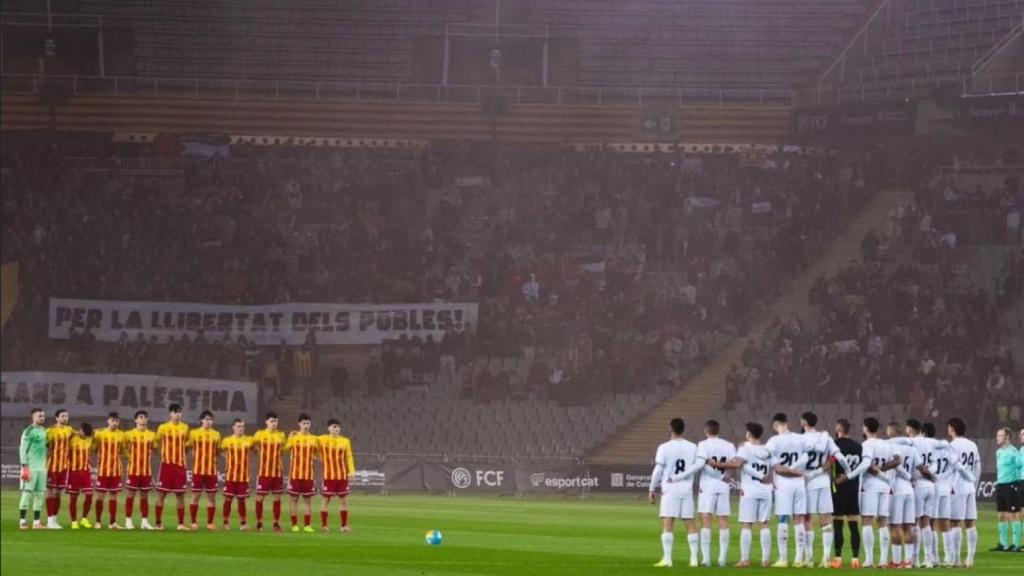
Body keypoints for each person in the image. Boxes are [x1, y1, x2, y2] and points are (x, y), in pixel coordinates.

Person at [834, 417, 899, 568]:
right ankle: (883, 560)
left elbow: (866, 464)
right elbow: (896, 460)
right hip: (885, 486)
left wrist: (849, 476)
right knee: (882, 522)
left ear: (865, 428)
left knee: (868, 521)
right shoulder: (887, 444)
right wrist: (883, 472)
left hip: (869, 486)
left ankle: (869, 560)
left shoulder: (866, 445)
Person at [711, 422, 772, 567]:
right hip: (766, 490)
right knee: (764, 524)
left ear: (749, 434)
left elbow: (736, 464)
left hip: (750, 490)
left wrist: (715, 464)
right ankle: (766, 560)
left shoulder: (745, 449)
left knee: (747, 524)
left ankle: (745, 560)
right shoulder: (767, 450)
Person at [798, 412, 851, 568]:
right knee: (826, 519)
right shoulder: (825, 438)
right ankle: (826, 558)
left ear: (803, 423)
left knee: (807, 519)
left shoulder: (800, 439)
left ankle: (808, 558)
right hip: (823, 481)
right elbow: (839, 457)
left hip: (807, 481)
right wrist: (848, 472)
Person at [649, 418, 703, 568]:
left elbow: (658, 471)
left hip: (670, 490)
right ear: (683, 429)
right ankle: (693, 559)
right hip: (686, 490)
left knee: (668, 524)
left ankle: (667, 559)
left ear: (670, 429)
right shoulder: (693, 447)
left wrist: (652, 489)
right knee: (690, 524)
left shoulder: (664, 447)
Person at [764, 413, 810, 567]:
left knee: (783, 519)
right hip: (799, 484)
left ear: (775, 424)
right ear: (787, 422)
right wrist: (796, 471)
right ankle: (799, 559)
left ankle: (783, 559)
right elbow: (806, 458)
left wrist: (789, 470)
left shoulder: (773, 441)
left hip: (783, 485)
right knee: (799, 520)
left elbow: (776, 467)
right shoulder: (801, 438)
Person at [695, 419, 735, 567]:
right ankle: (722, 559)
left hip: (707, 485)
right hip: (723, 485)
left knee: (706, 520)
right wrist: (728, 477)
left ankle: (706, 559)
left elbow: (702, 465)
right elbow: (733, 463)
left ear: (706, 431)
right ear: (718, 430)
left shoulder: (702, 445)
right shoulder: (729, 445)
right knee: (723, 521)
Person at [947, 417, 981, 567]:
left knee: (955, 522)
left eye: (949, 427)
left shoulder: (951, 446)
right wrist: (975, 483)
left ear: (953, 429)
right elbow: (978, 467)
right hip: (970, 486)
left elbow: (948, 469)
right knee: (970, 523)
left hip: (956, 487)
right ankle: (970, 559)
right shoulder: (972, 444)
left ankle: (955, 560)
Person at [886, 422, 919, 568]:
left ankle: (897, 561)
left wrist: (907, 476)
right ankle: (908, 561)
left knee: (895, 526)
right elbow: (919, 467)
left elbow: (896, 465)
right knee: (909, 526)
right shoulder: (912, 449)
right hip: (909, 490)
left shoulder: (891, 446)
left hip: (897, 488)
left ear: (891, 432)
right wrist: (912, 478)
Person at [831, 419, 863, 568]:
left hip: (838, 486)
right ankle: (855, 559)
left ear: (838, 428)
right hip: (853, 487)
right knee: (853, 524)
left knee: (838, 523)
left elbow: (830, 464)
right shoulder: (858, 447)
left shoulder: (834, 445)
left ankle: (838, 559)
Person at [155, 403, 190, 530]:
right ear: (170, 414)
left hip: (180, 466)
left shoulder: (185, 427)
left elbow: (187, 444)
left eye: (179, 412)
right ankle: (158, 523)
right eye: (175, 412)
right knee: (161, 494)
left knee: (180, 495)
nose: (178, 415)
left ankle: (180, 524)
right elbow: (156, 442)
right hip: (166, 466)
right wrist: (163, 454)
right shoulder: (163, 427)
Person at [319, 418, 355, 533]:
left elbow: (349, 456)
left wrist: (351, 471)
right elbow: (310, 443)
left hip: (342, 475)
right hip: (328, 476)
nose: (336, 429)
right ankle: (324, 526)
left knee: (344, 501)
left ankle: (344, 526)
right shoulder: (322, 439)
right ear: (328, 428)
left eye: (338, 427)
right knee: (326, 500)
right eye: (334, 427)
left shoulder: (345, 441)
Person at [253, 412, 287, 532]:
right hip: (264, 472)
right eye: (272, 421)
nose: (274, 423)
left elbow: (282, 450)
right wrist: (260, 452)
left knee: (277, 498)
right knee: (260, 497)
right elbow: (253, 446)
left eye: (276, 421)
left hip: (277, 472)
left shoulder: (281, 435)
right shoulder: (259, 434)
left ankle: (276, 524)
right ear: (266, 422)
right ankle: (259, 523)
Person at [123, 410, 157, 530]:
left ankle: (144, 522)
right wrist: (130, 458)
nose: (143, 419)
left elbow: (155, 448)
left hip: (146, 471)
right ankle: (128, 520)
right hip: (133, 470)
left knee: (144, 496)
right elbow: (123, 448)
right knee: (130, 495)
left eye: (145, 417)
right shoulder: (128, 434)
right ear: (135, 420)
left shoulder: (152, 435)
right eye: (140, 417)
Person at [188, 410, 222, 530]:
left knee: (211, 497)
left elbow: (218, 451)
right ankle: (193, 522)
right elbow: (190, 448)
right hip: (198, 470)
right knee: (195, 496)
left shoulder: (216, 434)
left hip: (211, 471)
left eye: (211, 420)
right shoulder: (194, 433)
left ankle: (210, 523)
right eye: (206, 419)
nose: (209, 422)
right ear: (201, 420)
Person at [286, 413, 319, 533]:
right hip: (295, 474)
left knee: (308, 501)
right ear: (299, 424)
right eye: (304, 423)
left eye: (308, 423)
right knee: (294, 499)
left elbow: (318, 454)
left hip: (308, 475)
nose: (306, 425)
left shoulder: (314, 439)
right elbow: (285, 449)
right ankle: (294, 525)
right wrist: (289, 437)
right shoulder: (294, 438)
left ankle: (307, 525)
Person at [92, 412, 126, 529]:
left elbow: (121, 451)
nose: (115, 423)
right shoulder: (100, 433)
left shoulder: (121, 435)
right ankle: (98, 521)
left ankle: (112, 523)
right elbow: (94, 448)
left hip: (116, 469)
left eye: (117, 421)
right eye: (113, 420)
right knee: (100, 495)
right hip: (103, 470)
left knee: (113, 496)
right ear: (108, 421)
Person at [220, 418, 254, 530]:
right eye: (239, 426)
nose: (241, 428)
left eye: (242, 426)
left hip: (243, 476)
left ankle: (243, 523)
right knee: (228, 499)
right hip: (231, 475)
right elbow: (221, 451)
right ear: (233, 427)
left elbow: (255, 449)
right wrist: (229, 461)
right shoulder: (227, 441)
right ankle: (225, 522)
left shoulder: (249, 440)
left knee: (242, 500)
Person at [19, 408, 48, 530]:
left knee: (39, 495)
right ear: (33, 417)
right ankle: (22, 521)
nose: (42, 418)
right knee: (27, 494)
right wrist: (24, 467)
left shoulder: (43, 430)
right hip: (30, 468)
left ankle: (36, 522)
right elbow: (22, 449)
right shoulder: (28, 431)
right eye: (39, 416)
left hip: (41, 469)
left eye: (43, 416)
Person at [44, 408, 74, 529]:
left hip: (64, 466)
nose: (65, 418)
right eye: (62, 416)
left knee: (58, 493)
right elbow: (44, 446)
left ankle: (55, 519)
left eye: (67, 416)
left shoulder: (69, 430)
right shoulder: (49, 431)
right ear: (57, 418)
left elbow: (79, 436)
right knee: (51, 492)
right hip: (53, 465)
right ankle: (49, 520)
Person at [994, 427, 1021, 552]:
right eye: (997, 435)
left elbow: (1020, 467)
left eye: (1000, 435)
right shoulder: (998, 452)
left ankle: (1016, 544)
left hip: (1011, 486)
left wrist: (1018, 482)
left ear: (1007, 438)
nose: (997, 437)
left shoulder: (1014, 452)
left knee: (1013, 515)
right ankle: (1003, 544)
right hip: (1000, 486)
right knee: (1001, 515)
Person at [67, 422, 95, 530]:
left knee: (89, 495)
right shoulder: (71, 439)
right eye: (84, 432)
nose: (85, 434)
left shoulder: (89, 439)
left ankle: (84, 519)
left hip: (85, 471)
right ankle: (74, 521)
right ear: (80, 430)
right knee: (73, 497)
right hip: (74, 472)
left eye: (87, 433)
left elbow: (96, 433)